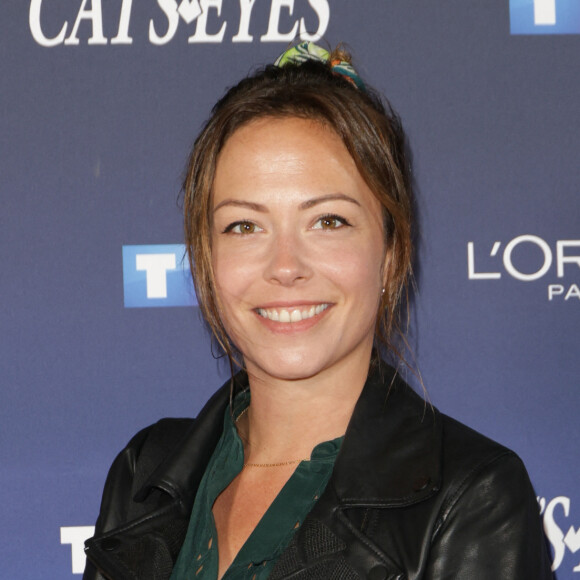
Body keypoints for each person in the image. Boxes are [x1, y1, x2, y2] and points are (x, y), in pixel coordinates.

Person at [83, 42, 552, 579]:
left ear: (391, 250)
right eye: (244, 225)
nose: (285, 266)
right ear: (206, 257)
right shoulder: (146, 474)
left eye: (328, 221)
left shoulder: (472, 500)